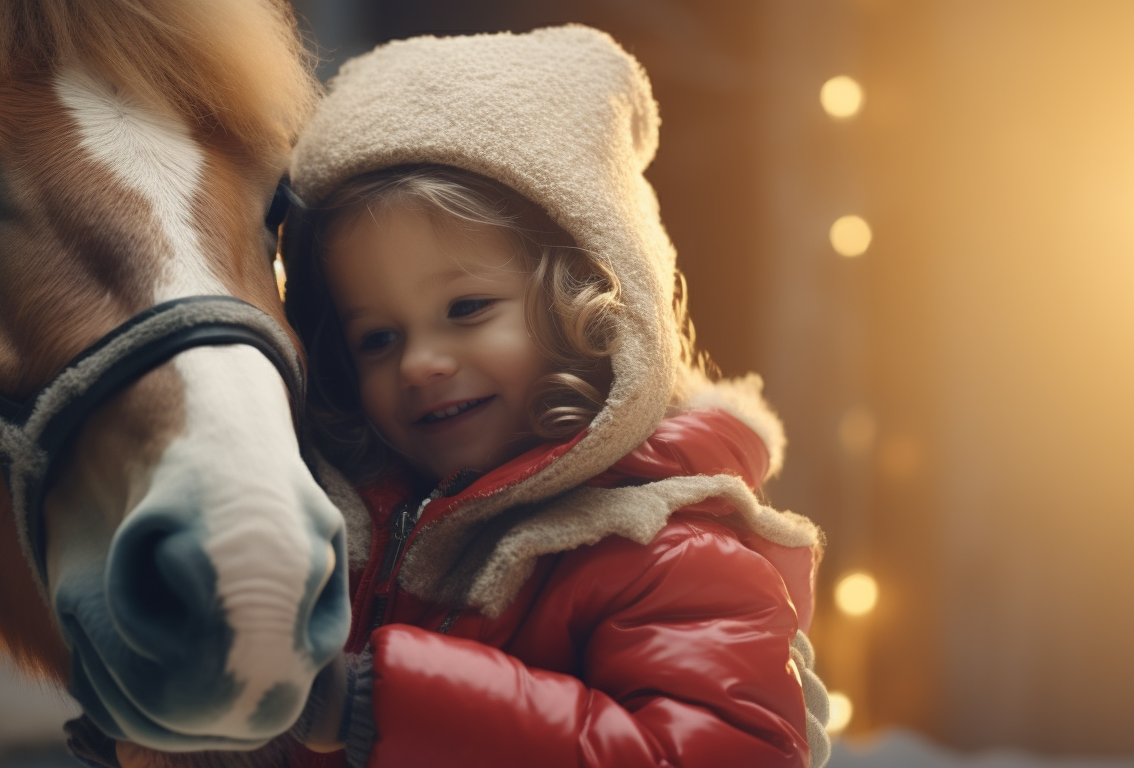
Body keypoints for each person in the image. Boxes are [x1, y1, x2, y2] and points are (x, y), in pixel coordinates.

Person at [278, 25, 832, 768]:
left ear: (586, 302)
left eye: (467, 308)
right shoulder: (351, 536)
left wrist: (376, 703)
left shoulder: (671, 553)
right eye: (377, 338)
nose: (421, 363)